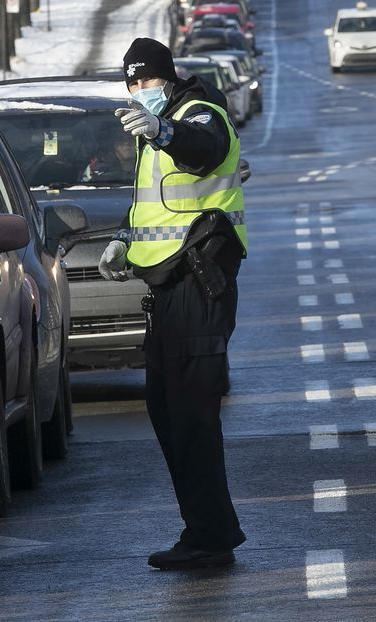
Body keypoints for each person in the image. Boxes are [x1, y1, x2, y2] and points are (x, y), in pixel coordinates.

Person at [99, 37, 247, 570]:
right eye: (132, 83)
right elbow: (154, 203)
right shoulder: (151, 134)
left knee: (191, 417)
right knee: (169, 412)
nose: (141, 90)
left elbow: (202, 149)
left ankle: (210, 537)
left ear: (168, 75)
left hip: (198, 282)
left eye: (146, 80)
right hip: (168, 288)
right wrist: (123, 236)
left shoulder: (199, 112)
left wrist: (165, 131)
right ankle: (208, 528)